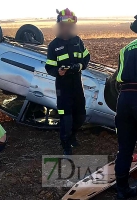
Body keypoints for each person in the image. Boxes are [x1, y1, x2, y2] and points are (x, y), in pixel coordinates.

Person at [45, 8, 90, 155]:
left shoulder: (78, 41)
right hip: (62, 88)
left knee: (80, 115)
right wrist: (58, 71)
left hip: (77, 85)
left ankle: (72, 136)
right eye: (65, 25)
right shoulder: (53, 45)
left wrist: (79, 66)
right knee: (66, 117)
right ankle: (65, 145)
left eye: (70, 25)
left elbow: (86, 59)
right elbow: (49, 67)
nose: (67, 28)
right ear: (59, 25)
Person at [115, 14, 137, 199]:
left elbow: (119, 78)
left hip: (124, 98)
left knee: (125, 148)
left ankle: (123, 191)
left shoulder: (126, 49)